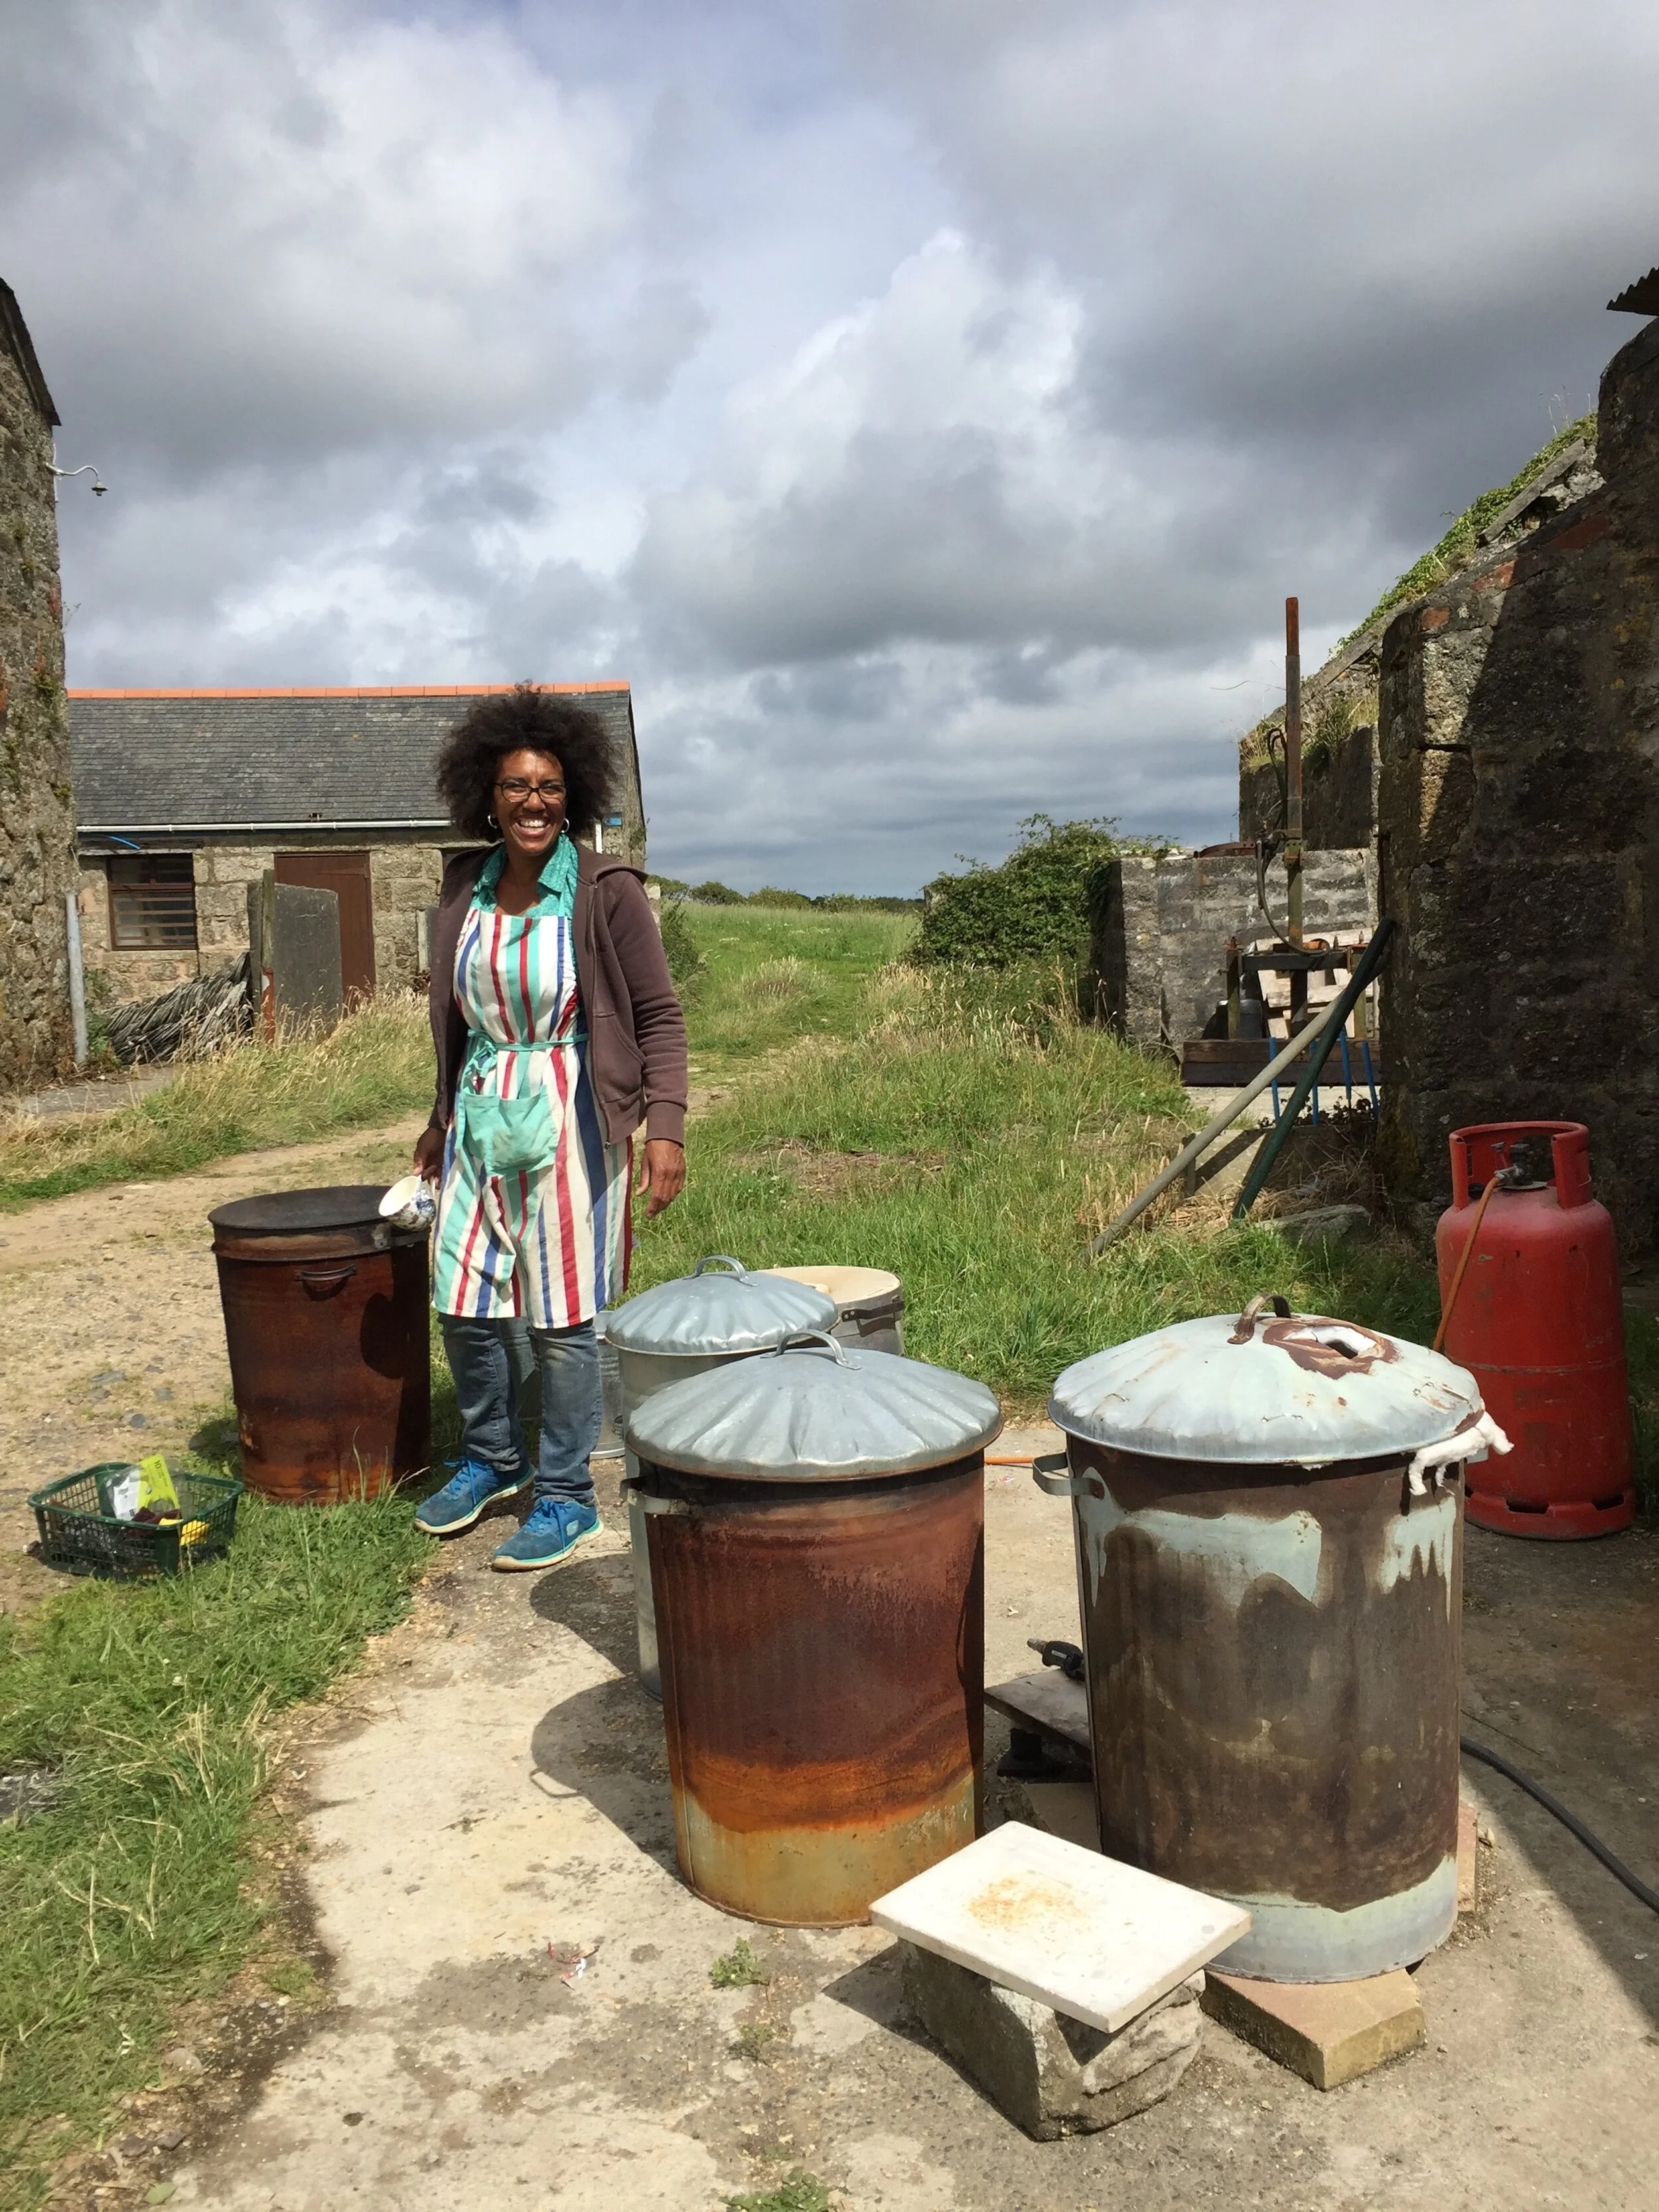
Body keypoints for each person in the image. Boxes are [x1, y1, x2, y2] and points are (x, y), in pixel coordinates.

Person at [411, 685, 687, 1567]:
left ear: (573, 796)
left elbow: (661, 1016)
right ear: (486, 798)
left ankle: (566, 1493)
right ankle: (493, 1456)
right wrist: (438, 1114)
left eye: (550, 787)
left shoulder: (606, 891)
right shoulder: (465, 887)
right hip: (482, 1107)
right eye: (516, 786)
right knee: (462, 1292)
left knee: (566, 1315)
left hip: (573, 1107)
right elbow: (457, 1019)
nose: (534, 802)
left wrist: (668, 1126)